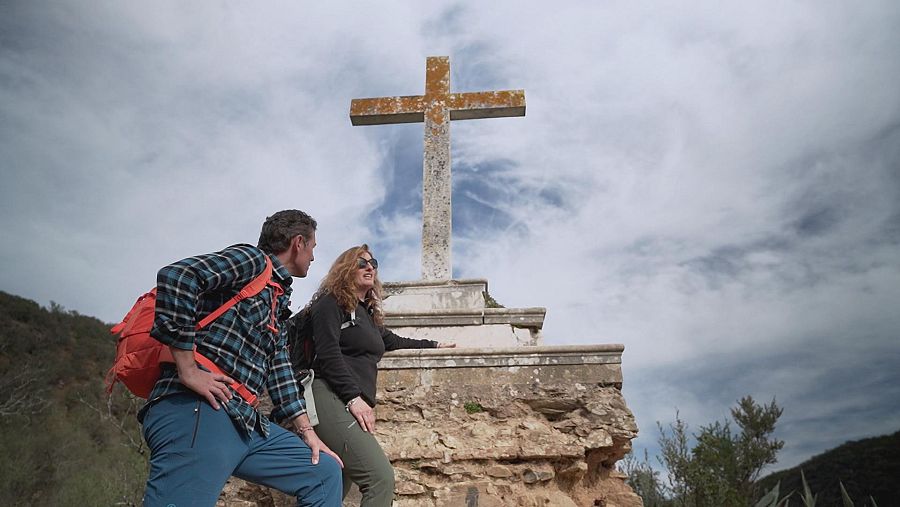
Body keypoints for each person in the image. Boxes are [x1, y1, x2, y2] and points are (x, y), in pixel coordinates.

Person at [139, 209, 343, 507]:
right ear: (298, 242)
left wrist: (307, 431)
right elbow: (178, 276)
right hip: (198, 410)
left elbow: (280, 368)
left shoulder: (277, 297)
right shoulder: (251, 261)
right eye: (313, 247)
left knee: (324, 472)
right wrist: (188, 369)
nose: (313, 257)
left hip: (243, 420)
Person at [297, 244, 454, 506]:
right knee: (379, 477)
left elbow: (393, 341)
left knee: (334, 481)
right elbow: (328, 353)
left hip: (347, 401)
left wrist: (435, 345)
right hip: (328, 396)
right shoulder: (330, 303)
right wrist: (353, 398)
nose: (370, 267)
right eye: (362, 262)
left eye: (374, 263)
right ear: (346, 269)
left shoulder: (365, 315)